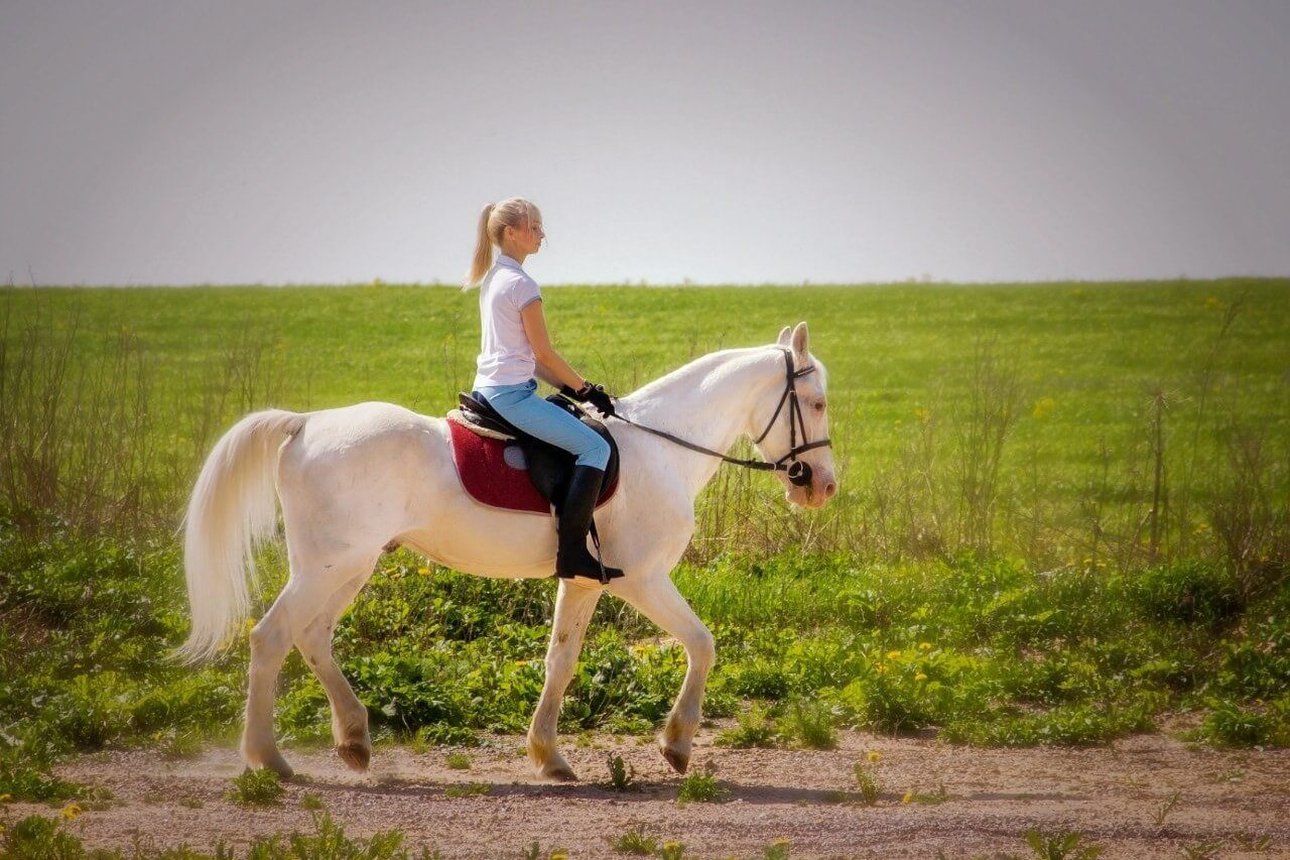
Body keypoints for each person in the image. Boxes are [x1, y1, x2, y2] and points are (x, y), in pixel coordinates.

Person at [465, 198, 622, 581]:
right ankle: (572, 556)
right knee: (595, 447)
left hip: (490, 388)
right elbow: (544, 353)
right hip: (510, 397)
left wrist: (577, 392)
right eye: (533, 226)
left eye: (539, 226)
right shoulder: (522, 285)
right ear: (510, 233)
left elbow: (530, 360)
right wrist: (587, 388)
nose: (541, 234)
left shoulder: (494, 279)